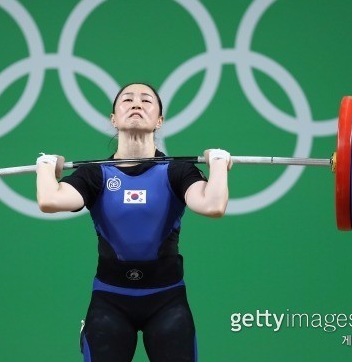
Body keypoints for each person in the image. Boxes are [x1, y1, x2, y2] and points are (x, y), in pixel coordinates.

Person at [35, 83, 231, 362]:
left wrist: (219, 164)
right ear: (113, 119)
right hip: (109, 302)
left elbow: (213, 205)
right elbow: (49, 201)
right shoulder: (95, 174)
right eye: (127, 100)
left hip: (167, 300)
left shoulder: (177, 171)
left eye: (146, 101)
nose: (136, 104)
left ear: (159, 121)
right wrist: (45, 166)